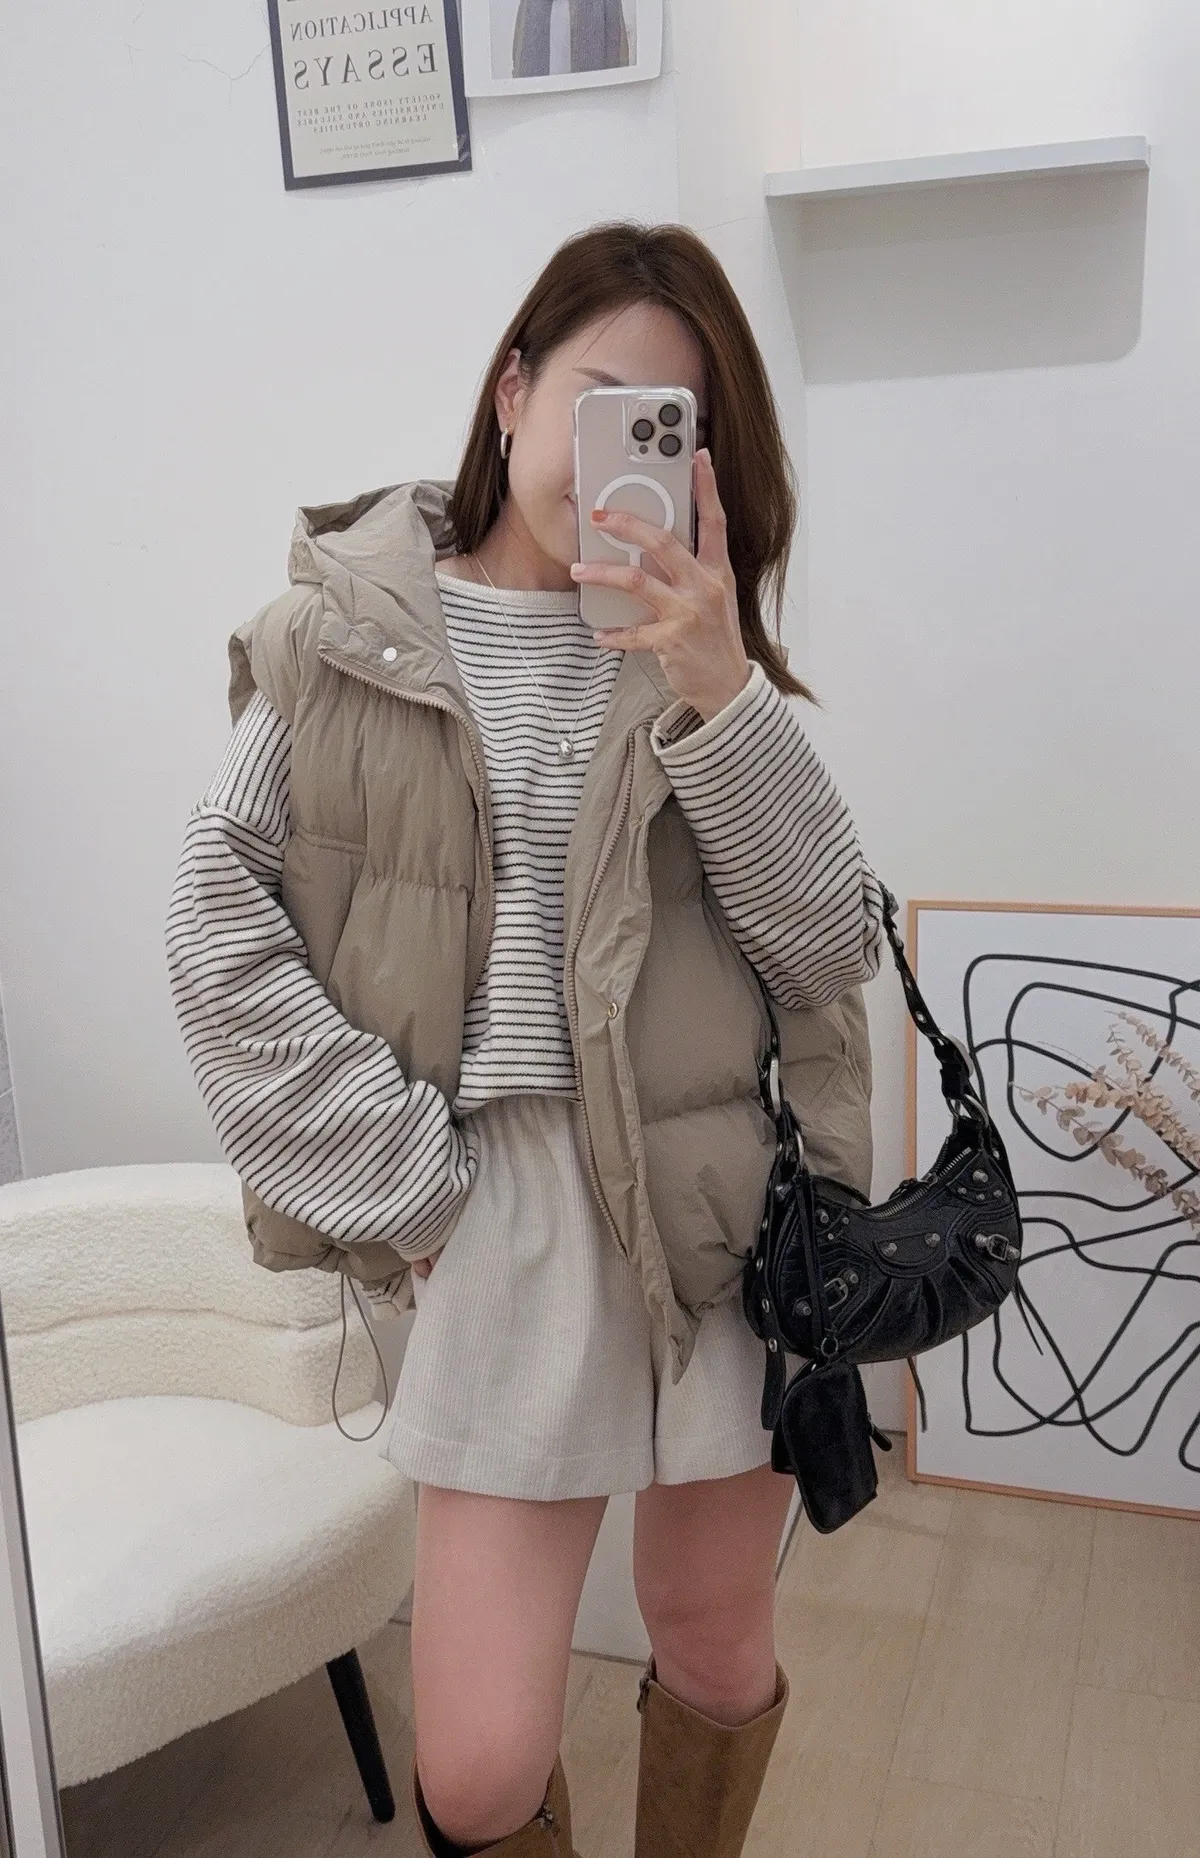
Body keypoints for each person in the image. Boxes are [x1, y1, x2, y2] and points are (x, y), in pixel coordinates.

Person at [166, 221, 884, 1857]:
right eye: (600, 400)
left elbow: (822, 942)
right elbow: (214, 925)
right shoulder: (338, 641)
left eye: (673, 428)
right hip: (501, 1205)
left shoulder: (702, 654)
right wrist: (409, 1187)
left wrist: (722, 691)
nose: (624, 456)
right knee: (479, 1766)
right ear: (511, 390)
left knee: (714, 1639)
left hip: (719, 1199)